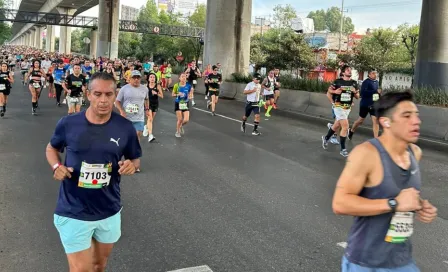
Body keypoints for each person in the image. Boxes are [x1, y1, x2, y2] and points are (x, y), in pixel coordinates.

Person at [45, 72, 141, 272]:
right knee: (82, 270)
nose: (103, 100)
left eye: (108, 94)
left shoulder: (124, 127)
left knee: (99, 265)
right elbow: (51, 148)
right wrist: (57, 167)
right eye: (97, 94)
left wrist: (132, 165)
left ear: (115, 95)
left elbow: (135, 158)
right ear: (88, 94)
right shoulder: (68, 123)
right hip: (73, 209)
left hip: (108, 208)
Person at [332, 91, 438, 272]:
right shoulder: (366, 154)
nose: (416, 121)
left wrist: (419, 205)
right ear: (386, 122)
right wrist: (394, 203)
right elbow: (340, 203)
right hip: (365, 263)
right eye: (406, 116)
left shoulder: (415, 153)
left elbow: (400, 194)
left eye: (416, 115)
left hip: (402, 261)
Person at [321, 65, 359, 157]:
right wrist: (334, 92)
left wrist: (355, 92)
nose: (350, 71)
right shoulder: (337, 82)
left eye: (350, 70)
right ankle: (343, 149)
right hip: (338, 106)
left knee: (336, 125)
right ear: (343, 73)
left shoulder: (354, 83)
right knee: (345, 127)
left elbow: (357, 97)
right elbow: (329, 90)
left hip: (347, 108)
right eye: (347, 70)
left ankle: (326, 138)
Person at [115, 70, 149, 162]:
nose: (136, 80)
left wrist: (147, 109)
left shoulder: (145, 89)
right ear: (130, 79)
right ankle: (124, 154)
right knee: (126, 137)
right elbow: (117, 101)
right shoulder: (124, 89)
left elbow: (146, 99)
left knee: (138, 135)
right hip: (127, 117)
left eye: (138, 78)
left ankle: (133, 158)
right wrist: (121, 111)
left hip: (139, 117)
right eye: (134, 78)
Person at [349, 69, 382, 139]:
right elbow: (363, 93)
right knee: (360, 120)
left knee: (375, 121)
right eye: (373, 73)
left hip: (373, 104)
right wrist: (375, 91)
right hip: (365, 104)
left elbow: (376, 94)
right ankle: (351, 130)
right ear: (369, 74)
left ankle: (376, 140)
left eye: (376, 73)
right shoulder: (366, 82)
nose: (375, 75)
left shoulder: (376, 82)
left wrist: (379, 97)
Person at [143, 72, 163, 142]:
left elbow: (162, 96)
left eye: (153, 77)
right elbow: (143, 96)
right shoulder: (146, 86)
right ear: (148, 79)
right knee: (150, 119)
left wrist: (156, 93)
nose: (152, 78)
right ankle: (150, 135)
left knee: (151, 119)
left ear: (155, 79)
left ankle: (146, 126)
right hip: (148, 104)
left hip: (155, 104)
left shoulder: (157, 86)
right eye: (151, 77)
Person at [172, 72, 194, 138]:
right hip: (178, 103)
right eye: (182, 76)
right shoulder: (176, 85)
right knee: (180, 119)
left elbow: (190, 93)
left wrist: (190, 96)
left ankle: (181, 126)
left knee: (186, 120)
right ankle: (177, 132)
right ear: (179, 78)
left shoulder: (189, 86)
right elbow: (173, 94)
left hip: (185, 103)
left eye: (185, 76)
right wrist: (177, 94)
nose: (184, 78)